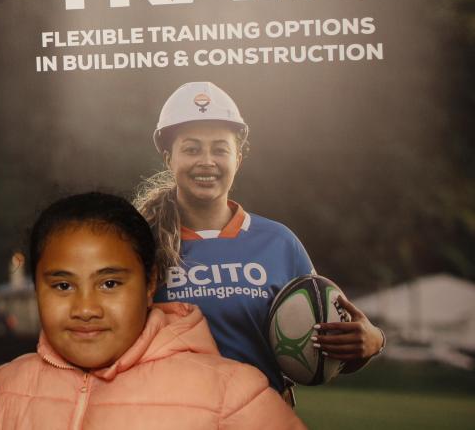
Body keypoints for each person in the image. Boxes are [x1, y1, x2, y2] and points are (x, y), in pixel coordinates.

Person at [136, 81, 384, 393]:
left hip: (262, 414)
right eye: (192, 149)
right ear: (168, 158)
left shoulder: (279, 242)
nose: (206, 161)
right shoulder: (139, 243)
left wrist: (371, 341)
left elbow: (320, 349)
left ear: (238, 158)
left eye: (220, 149)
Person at [0, 192, 304, 429]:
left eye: (110, 283)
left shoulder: (234, 396)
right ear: (36, 287)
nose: (85, 309)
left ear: (150, 282)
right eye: (63, 286)